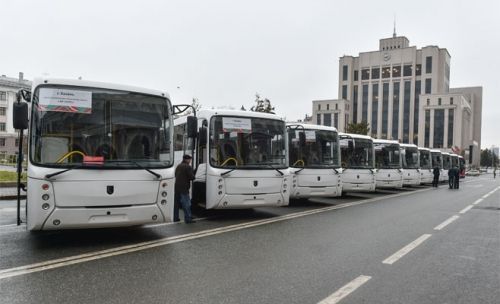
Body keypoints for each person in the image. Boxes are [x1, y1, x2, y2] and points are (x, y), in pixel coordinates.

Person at [174, 154, 196, 223]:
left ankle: (175, 217)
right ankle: (188, 218)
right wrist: (194, 173)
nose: (190, 161)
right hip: (184, 188)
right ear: (187, 159)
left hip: (177, 187)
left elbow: (175, 174)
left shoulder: (178, 166)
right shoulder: (187, 167)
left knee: (176, 204)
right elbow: (192, 177)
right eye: (189, 159)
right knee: (186, 203)